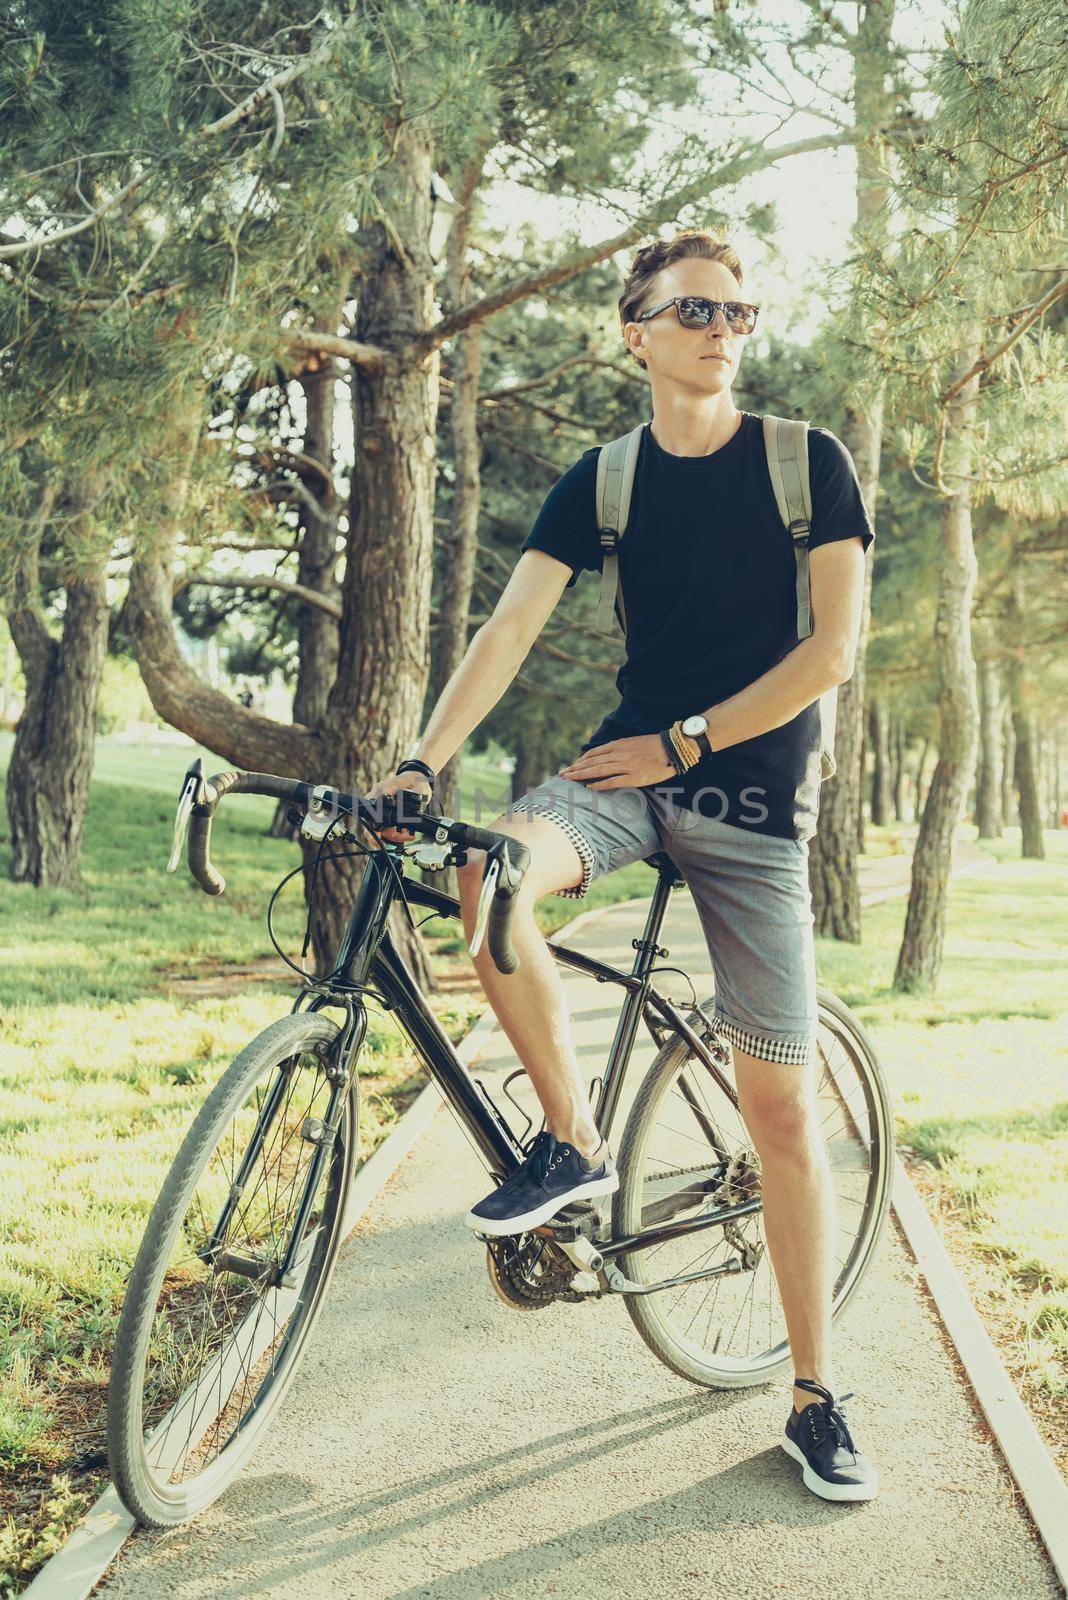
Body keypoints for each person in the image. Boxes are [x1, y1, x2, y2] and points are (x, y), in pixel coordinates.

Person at [368, 230, 877, 1502]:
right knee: (487, 878)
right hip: (622, 787)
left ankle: (816, 1395)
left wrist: (688, 739)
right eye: (695, 307)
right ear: (634, 328)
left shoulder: (806, 463)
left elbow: (833, 656)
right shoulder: (603, 481)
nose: (722, 326)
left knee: (780, 1117)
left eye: (742, 310)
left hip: (753, 804)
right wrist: (423, 762)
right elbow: (508, 627)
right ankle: (577, 1142)